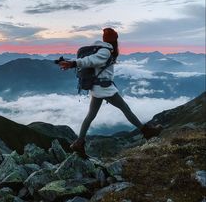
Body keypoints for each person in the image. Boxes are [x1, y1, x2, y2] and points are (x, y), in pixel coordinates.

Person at [59, 28, 162, 158]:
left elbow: (90, 60)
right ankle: (147, 132)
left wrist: (73, 62)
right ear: (114, 40)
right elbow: (91, 61)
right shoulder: (105, 52)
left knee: (90, 116)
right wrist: (74, 63)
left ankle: (79, 143)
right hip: (105, 88)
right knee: (126, 110)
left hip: (97, 88)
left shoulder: (99, 48)